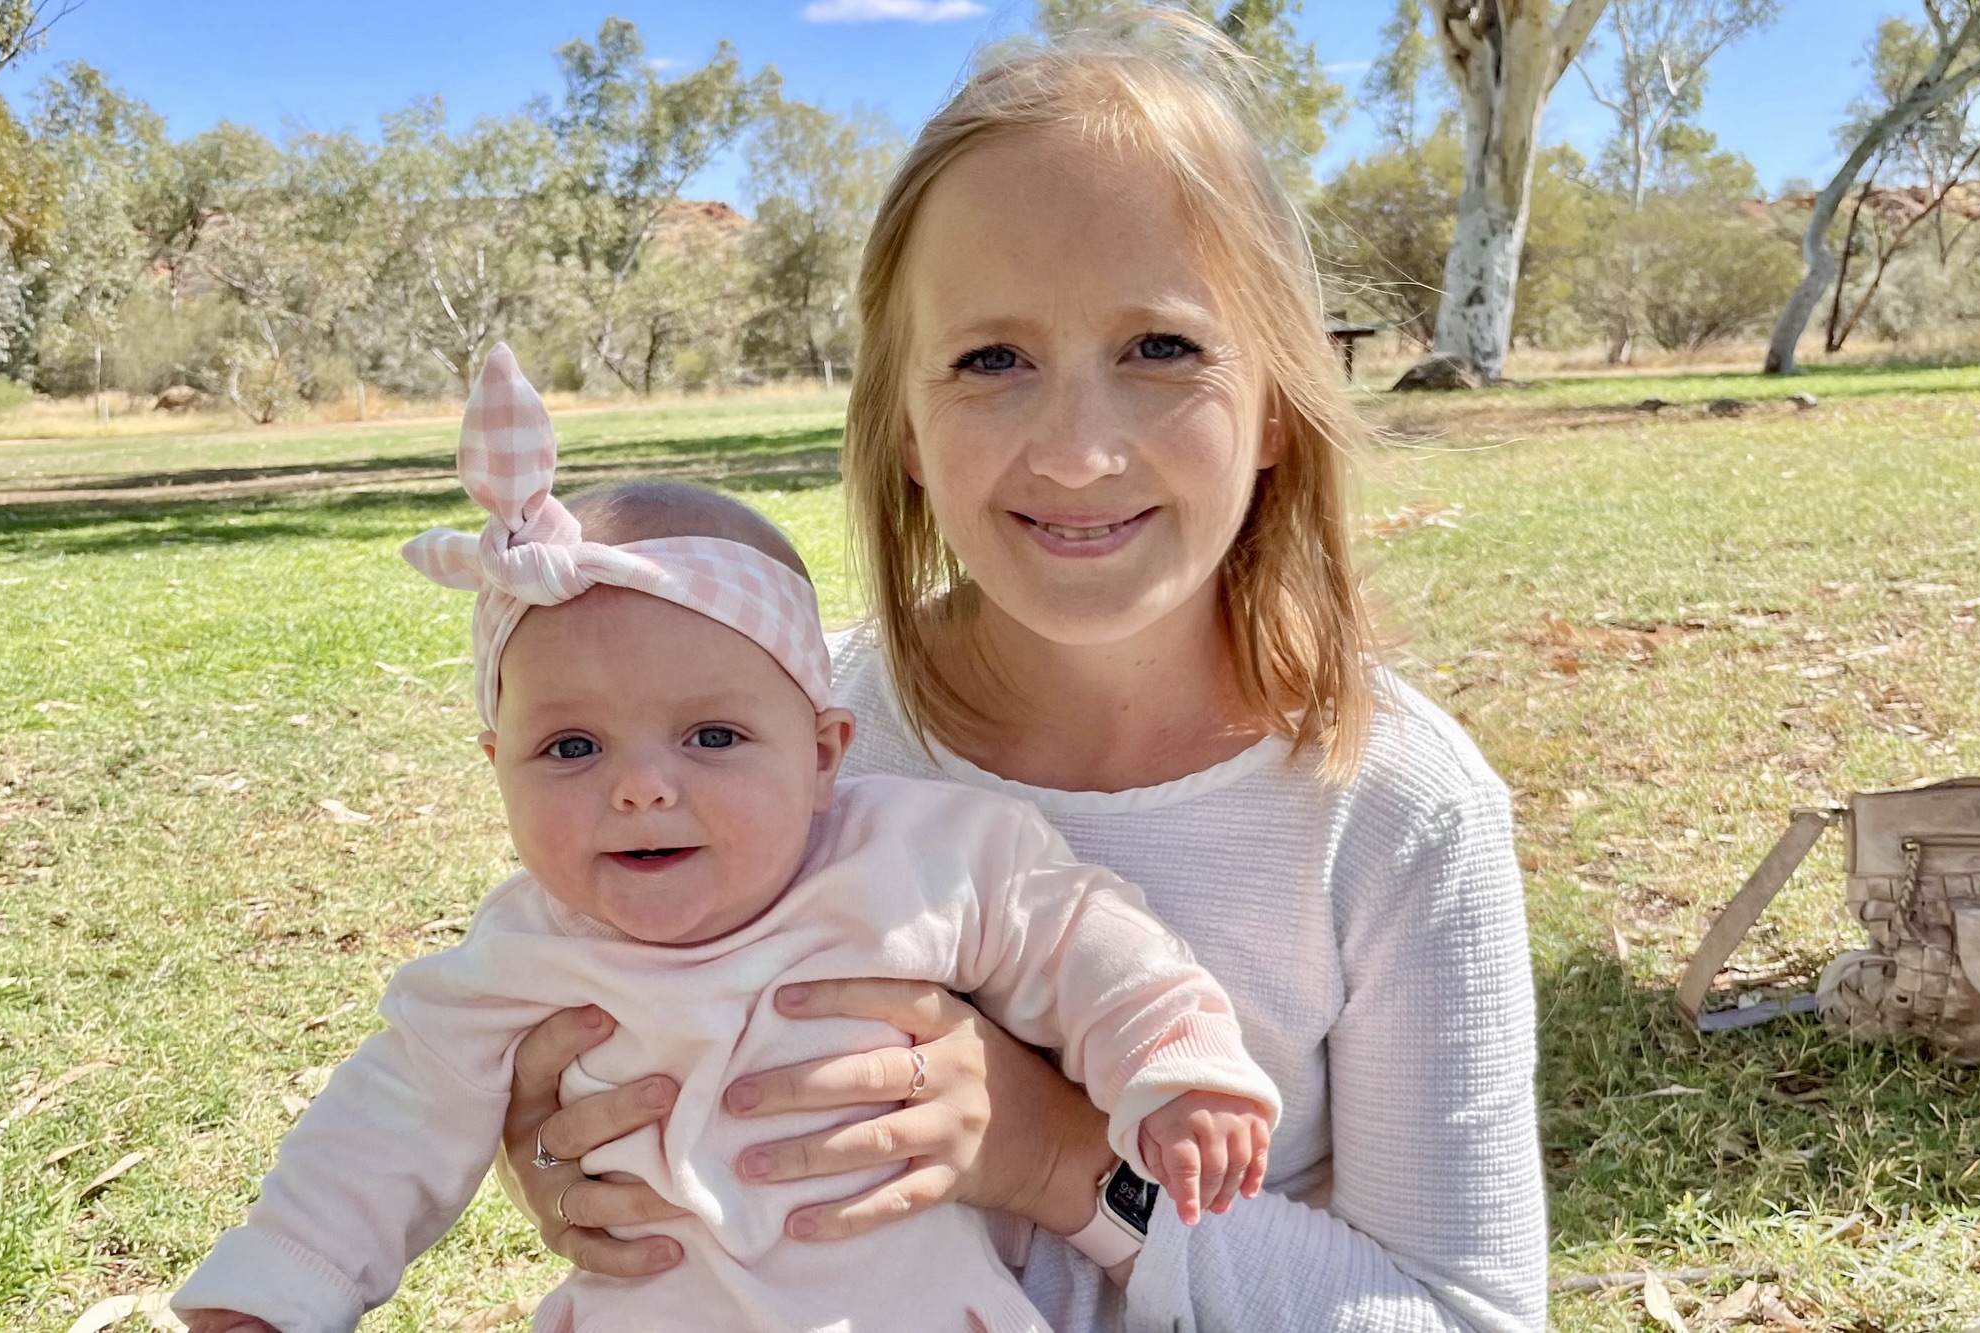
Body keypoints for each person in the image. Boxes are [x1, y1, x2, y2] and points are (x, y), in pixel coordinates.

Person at [499, 19, 1547, 1333]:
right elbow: (560, 1034)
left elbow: (1465, 1312)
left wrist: (1060, 1161)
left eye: (1161, 349)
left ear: (1278, 397)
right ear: (910, 432)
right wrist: (561, 1144)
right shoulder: (783, 742)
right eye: (991, 360)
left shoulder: (1394, 807)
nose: (1076, 450)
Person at [170, 347, 1280, 1333]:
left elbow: (1081, 936)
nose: (642, 790)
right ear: (492, 767)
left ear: (822, 753)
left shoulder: (916, 856)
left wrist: (1173, 1067)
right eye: (569, 749)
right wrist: (277, 1288)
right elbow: (387, 1123)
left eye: (711, 735)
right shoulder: (515, 959)